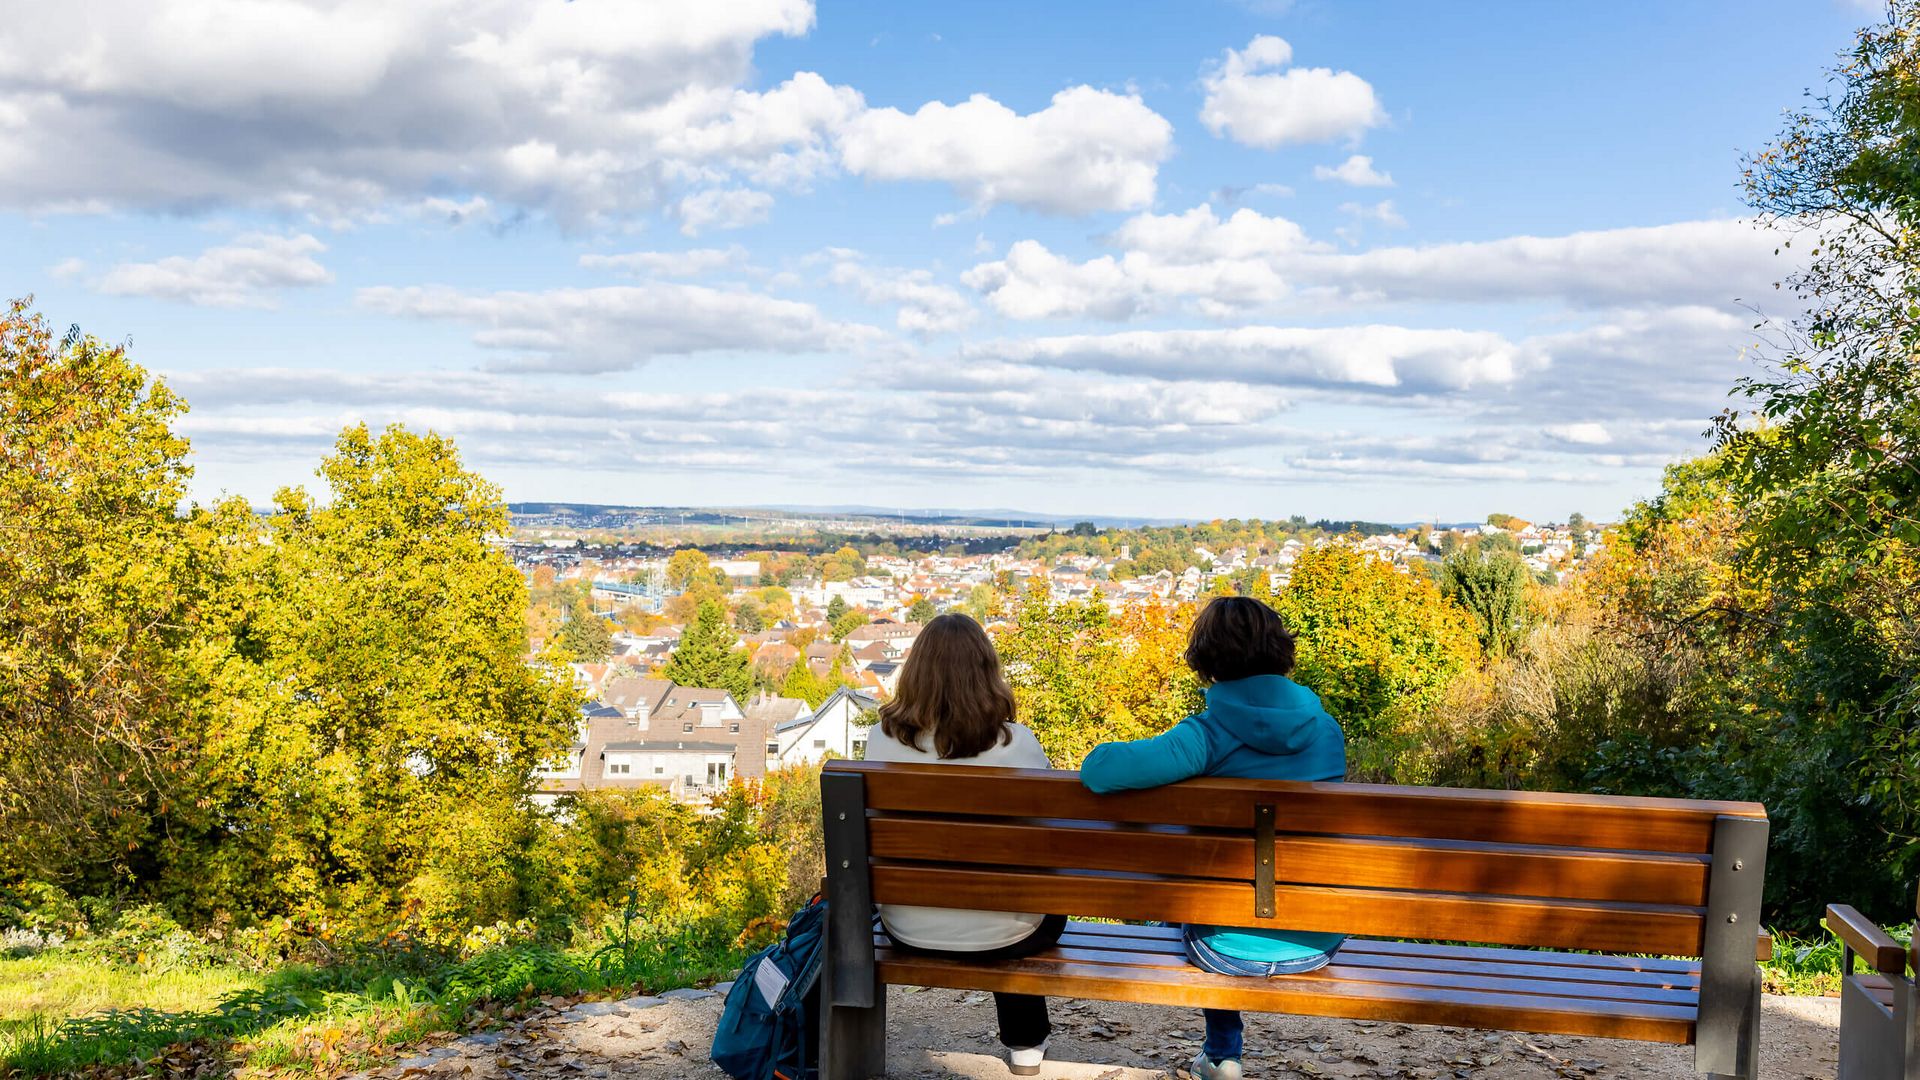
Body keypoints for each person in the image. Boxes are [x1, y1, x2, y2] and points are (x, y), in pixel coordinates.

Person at [1078, 596, 1346, 1080]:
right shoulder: (1326, 731)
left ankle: (1223, 1054)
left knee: (1194, 904)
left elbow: (1100, 771)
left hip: (1224, 951)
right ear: (1280, 651)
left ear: (1208, 660)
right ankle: (1220, 1054)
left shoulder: (1206, 736)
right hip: (1318, 941)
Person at [862, 613, 1063, 1077]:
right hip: (1009, 934)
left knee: (1008, 895)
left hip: (907, 925)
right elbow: (1046, 838)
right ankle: (1025, 1044)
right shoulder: (1020, 745)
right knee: (1020, 894)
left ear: (915, 673)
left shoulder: (881, 742)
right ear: (986, 673)